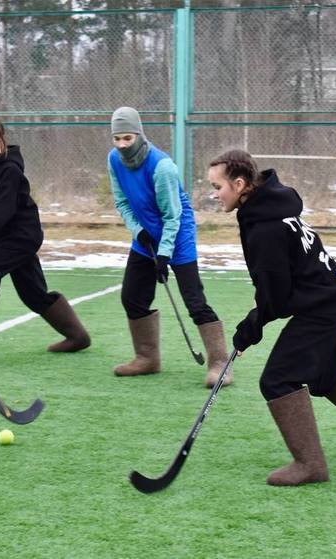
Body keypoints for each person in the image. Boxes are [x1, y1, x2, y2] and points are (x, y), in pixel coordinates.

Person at [208, 149, 336, 486]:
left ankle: (310, 465)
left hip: (322, 304)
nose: (214, 195)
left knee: (277, 380)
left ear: (239, 184)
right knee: (325, 375)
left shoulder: (263, 225)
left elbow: (276, 297)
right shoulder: (270, 205)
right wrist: (257, 320)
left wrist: (251, 327)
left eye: (217, 187)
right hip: (333, 295)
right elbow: (276, 289)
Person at [0, 117, 90, 355]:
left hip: (23, 237)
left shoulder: (10, 171)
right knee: (33, 295)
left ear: (3, 141)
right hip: (5, 239)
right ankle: (78, 337)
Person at [107, 106, 229, 387]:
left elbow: (172, 215)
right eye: (117, 139)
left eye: (128, 138)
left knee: (194, 302)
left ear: (139, 134)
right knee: (132, 297)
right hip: (145, 236)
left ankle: (220, 363)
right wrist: (138, 233)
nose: (123, 145)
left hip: (178, 234)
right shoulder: (114, 160)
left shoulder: (162, 167)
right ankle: (147, 358)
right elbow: (122, 202)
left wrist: (163, 255)